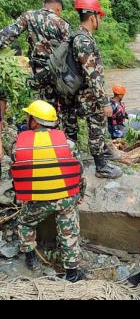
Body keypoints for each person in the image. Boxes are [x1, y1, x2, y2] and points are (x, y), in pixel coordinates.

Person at [11, 100, 86, 282]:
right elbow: (79, 173)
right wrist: (79, 195)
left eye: (29, 117)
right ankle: (72, 273)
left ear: (35, 122)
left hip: (38, 201)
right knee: (69, 231)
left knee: (24, 222)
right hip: (64, 199)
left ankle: (31, 259)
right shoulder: (68, 144)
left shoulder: (18, 145)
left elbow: (17, 175)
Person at [59, 0, 122, 179]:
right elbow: (92, 74)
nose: (99, 20)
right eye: (99, 16)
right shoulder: (84, 41)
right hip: (87, 94)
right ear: (92, 16)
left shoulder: (76, 35)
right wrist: (104, 102)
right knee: (97, 125)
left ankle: (72, 162)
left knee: (71, 128)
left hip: (74, 93)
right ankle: (101, 166)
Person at [0, 0, 70, 106]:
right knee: (50, 110)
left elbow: (8, 34)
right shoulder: (63, 24)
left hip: (34, 74)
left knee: (34, 107)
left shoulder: (29, 16)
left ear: (44, 4)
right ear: (58, 7)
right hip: (54, 76)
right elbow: (68, 54)